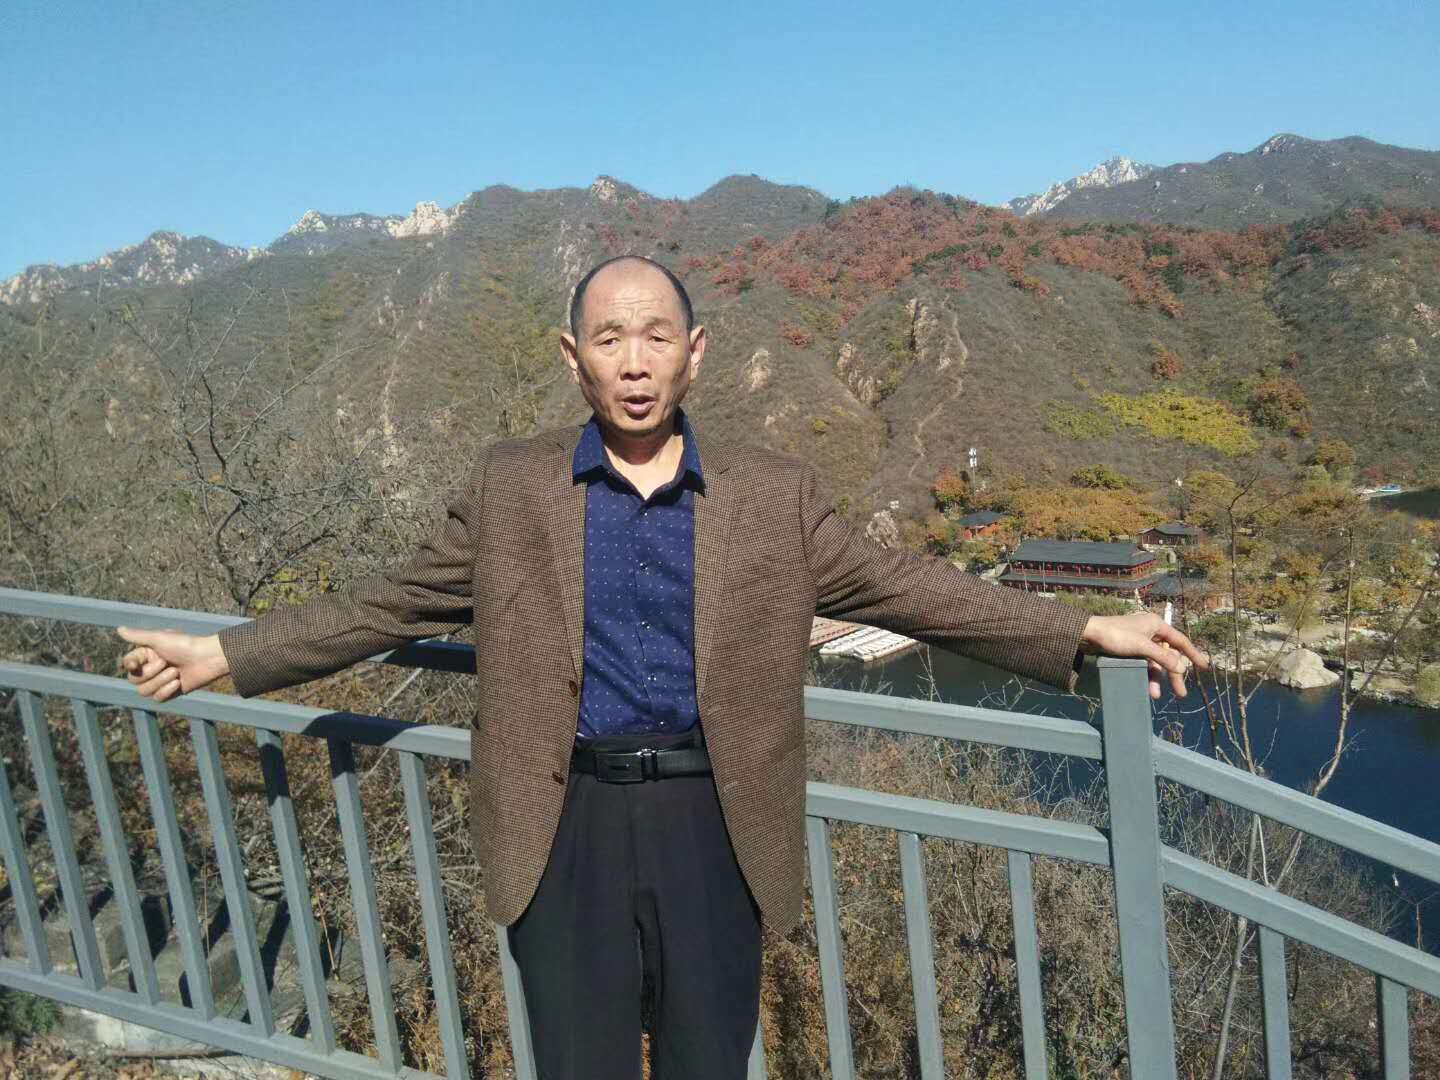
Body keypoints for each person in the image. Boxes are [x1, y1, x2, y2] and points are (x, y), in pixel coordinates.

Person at [117, 255, 1210, 1080]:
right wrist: (225, 653)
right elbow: (388, 604)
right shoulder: (512, 487)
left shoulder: (770, 495)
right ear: (572, 356)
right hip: (562, 820)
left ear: (697, 350)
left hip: (715, 818)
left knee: (706, 1060)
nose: (634, 363)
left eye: (655, 337)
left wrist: (1078, 631)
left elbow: (903, 588)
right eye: (609, 339)